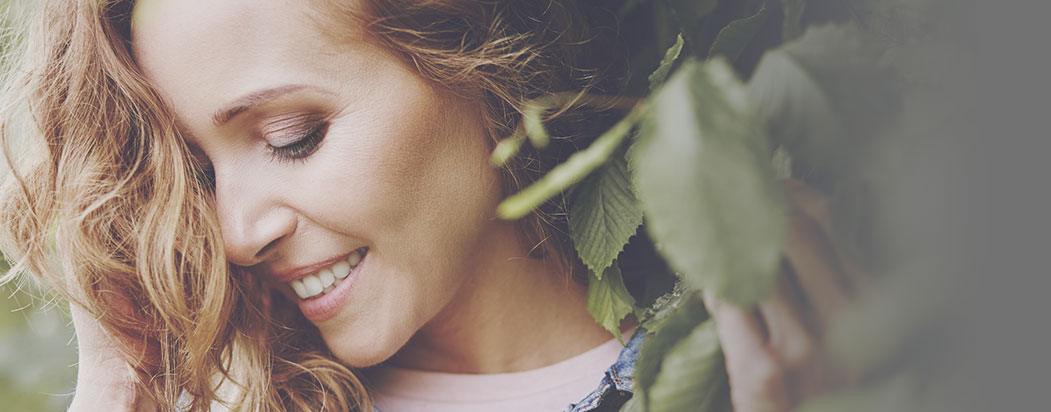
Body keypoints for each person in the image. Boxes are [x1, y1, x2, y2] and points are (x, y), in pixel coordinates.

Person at [0, 1, 861, 411]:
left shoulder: (770, 348)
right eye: (200, 170)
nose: (236, 230)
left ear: (474, 57)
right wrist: (115, 390)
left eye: (292, 134)